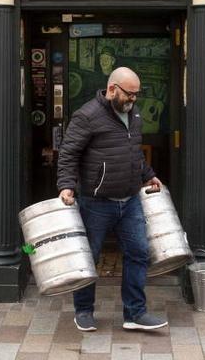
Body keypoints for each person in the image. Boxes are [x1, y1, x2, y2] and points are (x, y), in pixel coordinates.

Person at [57, 67, 168, 332]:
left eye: (136, 95)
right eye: (129, 94)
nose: (133, 100)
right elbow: (68, 154)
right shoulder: (87, 116)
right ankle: (83, 311)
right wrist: (66, 186)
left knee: (138, 254)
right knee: (88, 258)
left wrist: (148, 174)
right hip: (96, 203)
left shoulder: (135, 114)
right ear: (111, 90)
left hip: (130, 200)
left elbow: (133, 152)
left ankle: (135, 314)